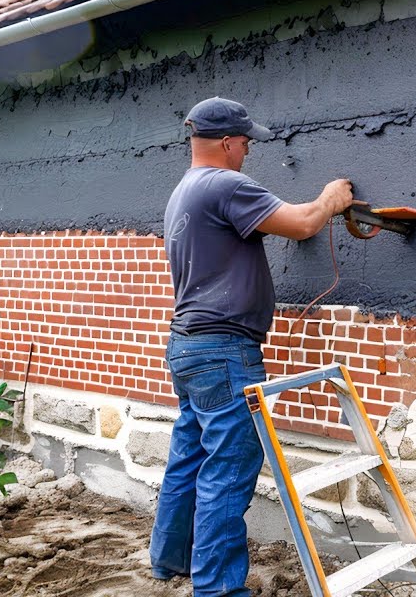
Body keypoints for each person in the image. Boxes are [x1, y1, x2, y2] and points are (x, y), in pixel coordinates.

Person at [149, 96, 355, 596]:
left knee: (190, 457)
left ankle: (170, 561)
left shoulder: (186, 190)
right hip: (224, 351)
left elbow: (286, 220)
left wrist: (314, 207)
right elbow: (304, 223)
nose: (248, 150)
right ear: (225, 142)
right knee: (228, 468)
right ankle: (218, 589)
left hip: (188, 346)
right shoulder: (225, 184)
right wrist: (332, 198)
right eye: (245, 142)